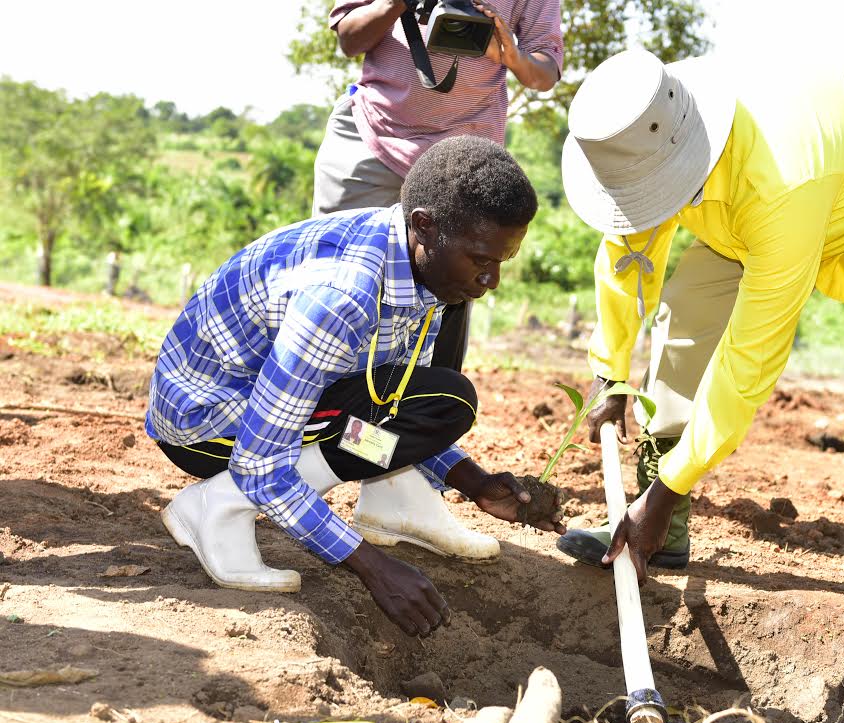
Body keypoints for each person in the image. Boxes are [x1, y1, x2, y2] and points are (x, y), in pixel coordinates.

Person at [557, 50, 844, 673]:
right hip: (813, 172)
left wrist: (670, 489)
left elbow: (749, 359)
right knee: (687, 315)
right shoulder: (642, 131)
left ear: (689, 163)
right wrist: (610, 369)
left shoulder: (779, 178)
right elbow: (628, 254)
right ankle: (660, 534)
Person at [147, 136, 564, 639]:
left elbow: (386, 408)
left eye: (503, 260)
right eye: (481, 259)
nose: (491, 279)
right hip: (208, 424)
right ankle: (220, 505)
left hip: (281, 404)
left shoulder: (421, 269)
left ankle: (379, 502)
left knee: (439, 405)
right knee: (439, 404)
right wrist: (369, 566)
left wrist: (474, 484)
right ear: (425, 226)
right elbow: (262, 461)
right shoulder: (343, 298)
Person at [312, 0, 564, 560]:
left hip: (464, 162)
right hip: (372, 137)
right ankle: (311, 461)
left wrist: (509, 51)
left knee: (439, 350)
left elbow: (544, 73)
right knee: (336, 316)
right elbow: (349, 37)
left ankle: (399, 487)